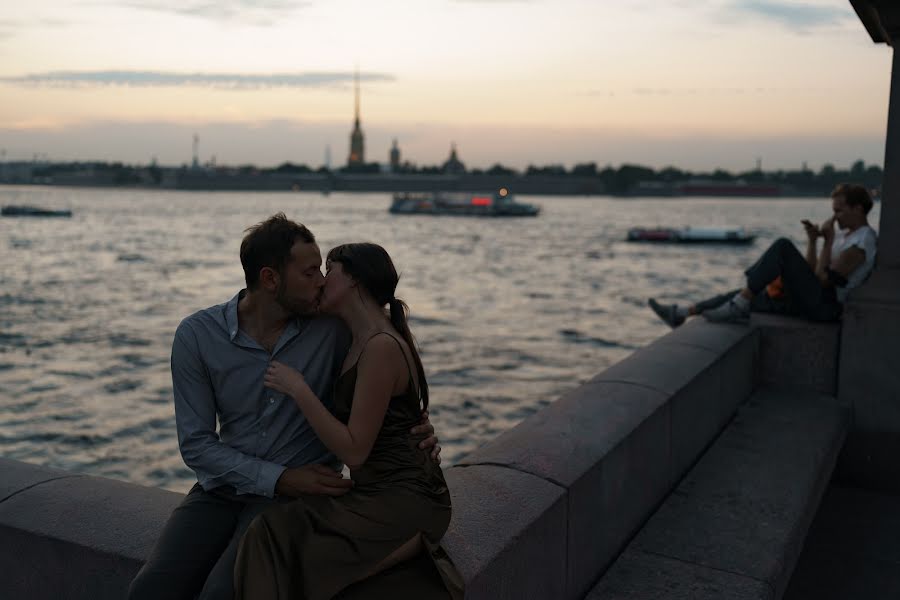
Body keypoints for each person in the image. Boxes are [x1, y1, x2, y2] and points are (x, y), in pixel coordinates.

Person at [128, 214, 442, 600]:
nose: (322, 281)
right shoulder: (197, 336)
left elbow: (388, 372)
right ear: (271, 279)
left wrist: (415, 427)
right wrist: (278, 477)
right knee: (151, 591)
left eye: (323, 271)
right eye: (310, 273)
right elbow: (196, 445)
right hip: (221, 490)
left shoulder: (334, 328)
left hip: (299, 499)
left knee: (226, 593)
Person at [232, 242, 463, 600]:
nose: (322, 280)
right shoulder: (357, 337)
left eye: (330, 270)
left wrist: (299, 389)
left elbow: (355, 452)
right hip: (374, 494)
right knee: (271, 533)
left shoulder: (381, 346)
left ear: (353, 279)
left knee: (278, 542)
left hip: (405, 500)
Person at [648, 183, 878, 327]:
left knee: (782, 247)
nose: (835, 217)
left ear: (858, 209)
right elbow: (812, 271)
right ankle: (680, 313)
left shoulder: (863, 241)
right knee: (745, 293)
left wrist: (827, 243)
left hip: (826, 309)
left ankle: (739, 303)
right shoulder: (844, 236)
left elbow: (822, 281)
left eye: (839, 210)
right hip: (814, 300)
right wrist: (812, 242)